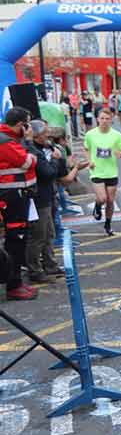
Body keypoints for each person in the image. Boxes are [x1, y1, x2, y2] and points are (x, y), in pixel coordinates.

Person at [22, 120, 68, 284]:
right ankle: (34, 270)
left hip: (48, 196)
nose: (48, 136)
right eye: (44, 134)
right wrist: (55, 161)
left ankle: (50, 264)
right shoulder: (32, 150)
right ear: (35, 135)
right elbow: (47, 172)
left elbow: (59, 172)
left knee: (49, 234)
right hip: (39, 199)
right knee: (38, 236)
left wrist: (58, 159)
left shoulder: (45, 148)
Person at [0, 107, 36, 300]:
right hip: (11, 199)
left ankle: (17, 283)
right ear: (21, 125)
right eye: (27, 124)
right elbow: (28, 162)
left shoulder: (10, 140)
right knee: (16, 241)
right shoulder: (5, 142)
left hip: (16, 197)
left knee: (19, 241)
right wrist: (28, 144)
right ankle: (14, 286)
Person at [83, 109, 121, 236]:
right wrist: (89, 161)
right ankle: (97, 205)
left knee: (110, 201)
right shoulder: (90, 134)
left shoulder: (117, 135)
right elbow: (86, 149)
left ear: (111, 120)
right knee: (102, 198)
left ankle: (108, 224)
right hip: (97, 171)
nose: (104, 121)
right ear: (97, 119)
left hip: (111, 172)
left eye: (107, 119)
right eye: (102, 118)